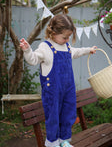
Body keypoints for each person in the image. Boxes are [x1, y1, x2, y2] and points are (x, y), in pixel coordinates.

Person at [20, 14, 97, 147]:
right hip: (52, 91)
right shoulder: (46, 47)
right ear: (53, 33)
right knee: (53, 116)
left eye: (69, 37)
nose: (67, 40)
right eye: (65, 37)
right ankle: (52, 142)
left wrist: (88, 50)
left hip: (68, 89)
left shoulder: (66, 47)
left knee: (68, 113)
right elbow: (33, 59)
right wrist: (27, 50)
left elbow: (76, 51)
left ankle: (64, 140)